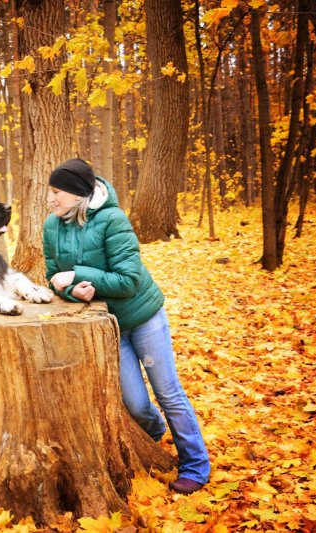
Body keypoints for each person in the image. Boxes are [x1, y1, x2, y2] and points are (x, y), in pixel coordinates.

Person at [42, 158, 210, 494]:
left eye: (56, 192)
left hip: (143, 317)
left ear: (76, 194)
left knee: (168, 392)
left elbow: (129, 281)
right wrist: (73, 291)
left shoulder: (113, 220)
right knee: (133, 403)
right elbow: (53, 277)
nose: (50, 199)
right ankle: (151, 435)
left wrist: (80, 275)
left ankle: (195, 465)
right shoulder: (51, 227)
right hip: (110, 327)